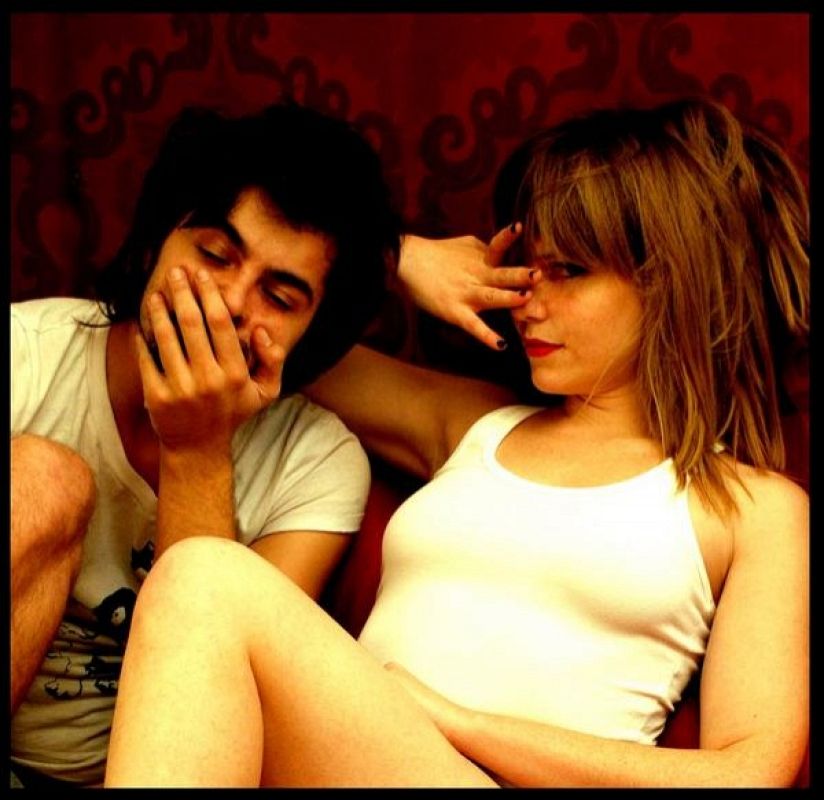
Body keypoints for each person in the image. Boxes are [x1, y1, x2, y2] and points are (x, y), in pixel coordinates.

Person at [103, 97, 808, 787]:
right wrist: (401, 260)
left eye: (569, 271)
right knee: (200, 576)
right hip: (355, 763)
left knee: (204, 576)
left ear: (670, 286)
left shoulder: (757, 509)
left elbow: (749, 773)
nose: (529, 299)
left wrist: (457, 723)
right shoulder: (475, 425)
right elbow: (273, 335)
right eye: (530, 265)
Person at [10, 100, 402, 786]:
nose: (228, 302)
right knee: (44, 477)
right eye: (215, 255)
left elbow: (226, 685)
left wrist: (196, 449)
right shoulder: (24, 355)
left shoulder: (316, 465)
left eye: (279, 298)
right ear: (159, 241)